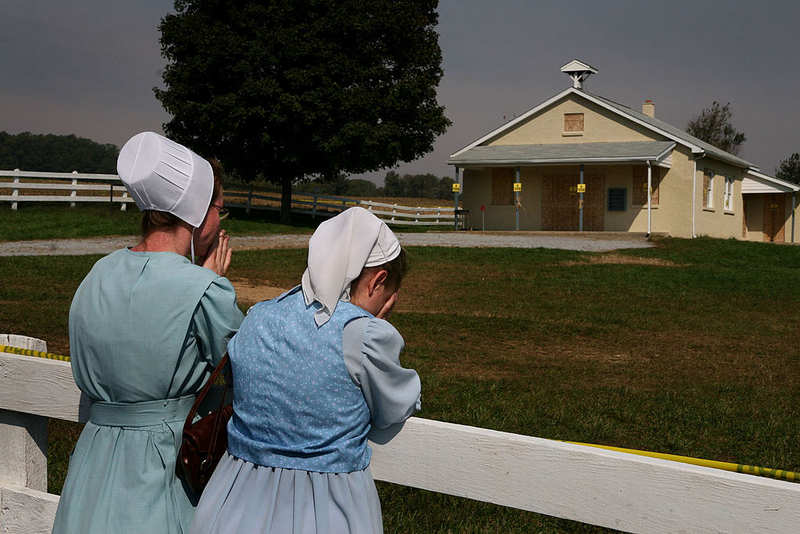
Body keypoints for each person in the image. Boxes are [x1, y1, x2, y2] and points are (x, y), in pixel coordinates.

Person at [52, 132, 245, 534]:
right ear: (197, 211)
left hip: (91, 467)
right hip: (164, 469)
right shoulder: (206, 290)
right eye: (219, 209)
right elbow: (244, 370)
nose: (219, 221)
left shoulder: (96, 275)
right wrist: (204, 285)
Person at [190, 207, 421, 534]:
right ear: (378, 280)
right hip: (325, 505)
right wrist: (373, 326)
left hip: (232, 496)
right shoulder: (364, 334)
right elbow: (396, 406)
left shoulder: (259, 316)